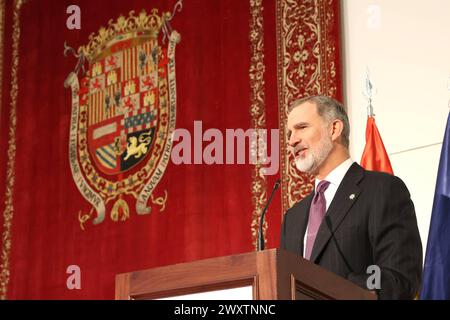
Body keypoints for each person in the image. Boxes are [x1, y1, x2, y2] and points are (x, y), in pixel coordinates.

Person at [280, 95, 422, 300]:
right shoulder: (293, 217)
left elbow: (399, 277)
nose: (292, 140)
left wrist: (335, 288)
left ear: (335, 129)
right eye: (289, 133)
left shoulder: (382, 190)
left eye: (302, 127)